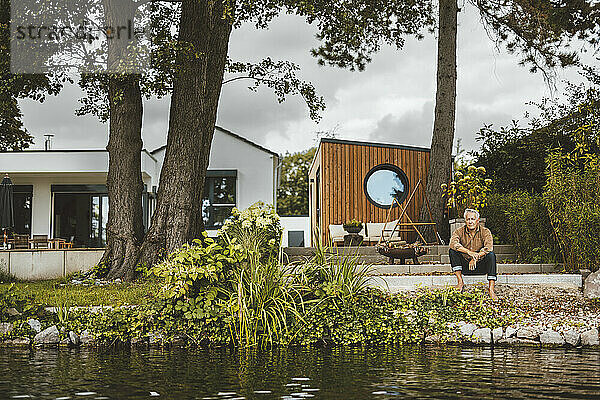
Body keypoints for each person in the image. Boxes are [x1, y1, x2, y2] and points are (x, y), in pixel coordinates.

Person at [449, 208, 497, 300]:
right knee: (453, 251)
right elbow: (453, 244)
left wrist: (475, 258)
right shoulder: (458, 231)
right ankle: (460, 282)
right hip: (465, 266)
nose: (470, 222)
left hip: (480, 265)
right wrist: (469, 252)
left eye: (472, 219)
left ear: (477, 220)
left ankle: (491, 289)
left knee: (491, 255)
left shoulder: (485, 231)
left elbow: (488, 248)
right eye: (468, 219)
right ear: (465, 221)